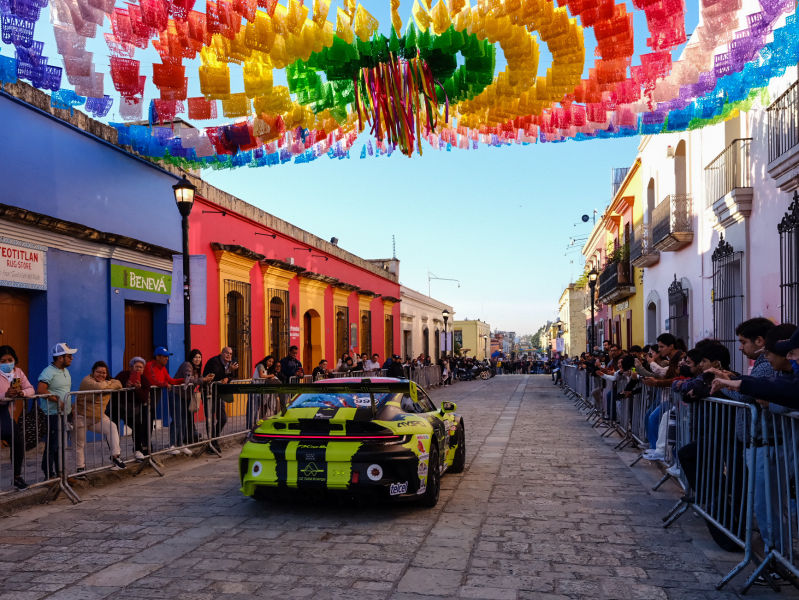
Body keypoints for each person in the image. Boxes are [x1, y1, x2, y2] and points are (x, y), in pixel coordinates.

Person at [75, 362, 126, 472]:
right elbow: (100, 387)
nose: (101, 375)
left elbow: (119, 384)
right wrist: (109, 383)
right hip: (81, 417)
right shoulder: (87, 381)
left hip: (98, 418)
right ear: (93, 372)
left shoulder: (107, 381)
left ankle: (115, 457)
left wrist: (108, 383)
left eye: (104, 373)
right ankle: (80, 469)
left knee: (112, 427)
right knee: (79, 444)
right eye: (98, 372)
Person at [37, 343, 77, 479]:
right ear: (60, 358)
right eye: (69, 356)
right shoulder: (48, 371)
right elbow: (41, 389)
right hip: (52, 414)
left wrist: (70, 407)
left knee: (60, 445)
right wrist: (56, 400)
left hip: (64, 413)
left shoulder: (65, 370)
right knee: (53, 445)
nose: (72, 358)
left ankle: (61, 474)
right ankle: (48, 473)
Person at [0, 345, 34, 489]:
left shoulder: (17, 372)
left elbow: (30, 388)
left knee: (18, 442)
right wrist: (5, 395)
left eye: (10, 359)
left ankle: (17, 476)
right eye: (3, 360)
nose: (7, 363)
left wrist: (22, 394)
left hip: (6, 413)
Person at [142, 347, 185, 455]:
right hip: (145, 399)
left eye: (167, 357)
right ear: (157, 357)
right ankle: (143, 447)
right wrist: (165, 384)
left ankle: (147, 447)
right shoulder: (149, 366)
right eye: (165, 356)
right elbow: (152, 380)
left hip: (154, 400)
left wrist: (184, 380)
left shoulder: (163, 368)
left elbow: (171, 380)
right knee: (143, 424)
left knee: (149, 422)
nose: (167, 359)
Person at [175, 349, 214, 450]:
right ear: (191, 357)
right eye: (196, 357)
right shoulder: (187, 365)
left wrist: (206, 379)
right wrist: (203, 379)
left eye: (199, 357)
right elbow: (189, 379)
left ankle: (183, 441)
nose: (198, 359)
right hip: (177, 394)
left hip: (186, 395)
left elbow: (198, 379)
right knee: (179, 419)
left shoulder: (197, 368)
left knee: (185, 418)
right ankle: (175, 444)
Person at [203, 347, 238, 453]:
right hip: (209, 393)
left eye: (231, 354)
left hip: (219, 393)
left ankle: (214, 439)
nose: (229, 355)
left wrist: (229, 376)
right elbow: (215, 376)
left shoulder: (230, 363)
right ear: (222, 353)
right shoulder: (214, 361)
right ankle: (211, 444)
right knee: (210, 419)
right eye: (227, 353)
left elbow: (230, 376)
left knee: (223, 418)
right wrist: (228, 372)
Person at [114, 357, 149, 460]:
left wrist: (137, 389)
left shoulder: (144, 380)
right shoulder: (122, 375)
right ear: (131, 368)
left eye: (141, 367)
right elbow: (114, 387)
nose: (138, 369)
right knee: (113, 429)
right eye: (136, 367)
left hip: (133, 409)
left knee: (138, 427)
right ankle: (115, 454)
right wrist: (125, 386)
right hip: (119, 407)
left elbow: (144, 398)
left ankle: (138, 450)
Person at [248, 355, 276, 429]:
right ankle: (250, 427)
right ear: (266, 360)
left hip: (259, 390)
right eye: (269, 361)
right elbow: (261, 376)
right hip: (254, 389)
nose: (270, 363)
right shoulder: (260, 365)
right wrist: (271, 375)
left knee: (259, 409)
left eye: (272, 362)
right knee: (254, 409)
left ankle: (256, 425)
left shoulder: (266, 368)